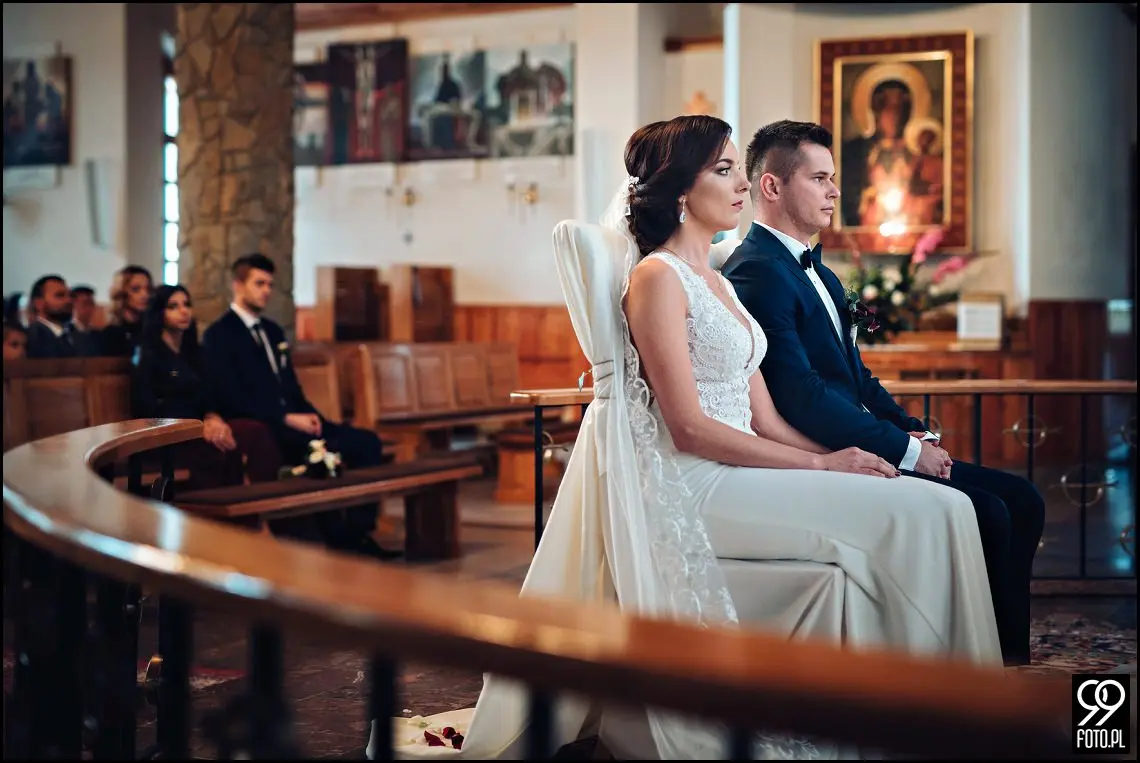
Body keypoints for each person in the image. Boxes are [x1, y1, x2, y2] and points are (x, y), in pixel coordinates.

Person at [367, 115, 1001, 760]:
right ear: (677, 191)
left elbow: (765, 419)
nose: (742, 187)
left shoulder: (721, 282)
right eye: (724, 172)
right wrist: (822, 469)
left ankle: (949, 713)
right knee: (916, 518)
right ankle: (916, 726)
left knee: (943, 504)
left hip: (745, 465)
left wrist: (837, 459)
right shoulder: (656, 279)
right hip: (694, 481)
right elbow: (690, 426)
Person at [720, 119, 1045, 667]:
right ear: (772, 187)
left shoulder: (815, 270)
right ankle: (977, 670)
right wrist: (907, 452)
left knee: (1023, 499)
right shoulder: (756, 272)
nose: (835, 190)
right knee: (989, 511)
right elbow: (803, 396)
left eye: (832, 178)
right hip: (824, 448)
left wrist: (910, 429)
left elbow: (856, 373)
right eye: (820, 178)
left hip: (873, 437)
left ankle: (1008, 661)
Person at [201, 253, 400, 560]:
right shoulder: (220, 335)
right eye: (259, 283)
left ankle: (358, 534)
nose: (266, 290)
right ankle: (332, 537)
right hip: (266, 427)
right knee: (318, 454)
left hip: (294, 420)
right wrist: (286, 417)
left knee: (367, 444)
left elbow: (291, 388)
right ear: (237, 285)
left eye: (269, 284)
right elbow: (231, 397)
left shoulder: (273, 332)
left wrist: (312, 417)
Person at [131, 284, 282, 491]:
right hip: (170, 436)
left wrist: (213, 417)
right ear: (159, 313)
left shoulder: (195, 353)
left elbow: (209, 393)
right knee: (223, 448)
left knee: (255, 431)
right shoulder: (150, 357)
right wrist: (198, 427)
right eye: (173, 306)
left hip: (203, 429)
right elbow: (150, 408)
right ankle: (221, 513)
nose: (183, 311)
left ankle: (264, 502)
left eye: (186, 304)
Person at [23, 275, 100, 358]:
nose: (69, 300)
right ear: (39, 303)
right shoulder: (30, 338)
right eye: (60, 295)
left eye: (70, 295)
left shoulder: (80, 336)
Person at [101, 265, 153, 357]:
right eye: (136, 289)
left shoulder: (152, 331)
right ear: (121, 292)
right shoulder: (109, 335)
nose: (145, 295)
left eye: (148, 289)